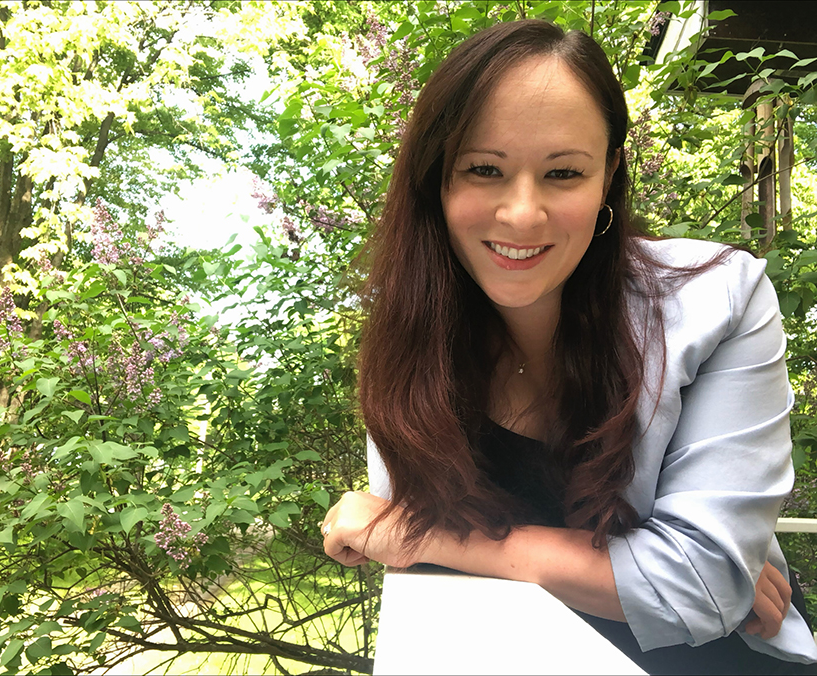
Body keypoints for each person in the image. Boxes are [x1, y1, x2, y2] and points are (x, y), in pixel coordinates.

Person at [319, 19, 817, 675]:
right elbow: (696, 583)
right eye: (484, 169)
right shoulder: (414, 331)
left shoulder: (722, 300)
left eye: (562, 173)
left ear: (608, 175)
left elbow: (703, 590)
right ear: (436, 178)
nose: (522, 214)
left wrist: (429, 535)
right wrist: (661, 573)